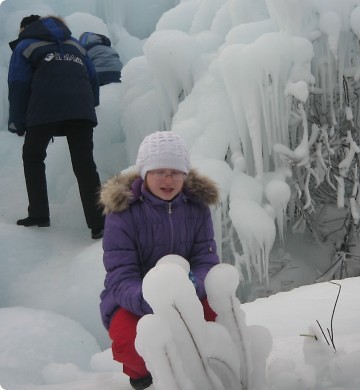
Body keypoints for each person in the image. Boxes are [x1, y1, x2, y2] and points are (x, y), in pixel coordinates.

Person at [98, 131, 220, 390]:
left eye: (176, 172)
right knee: (128, 343)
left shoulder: (196, 207)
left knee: (219, 325)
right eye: (159, 171)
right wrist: (154, 300)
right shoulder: (123, 213)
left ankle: (205, 375)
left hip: (189, 291)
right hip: (134, 299)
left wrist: (191, 287)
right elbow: (120, 274)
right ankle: (145, 380)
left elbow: (205, 259)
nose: (168, 179)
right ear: (145, 174)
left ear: (185, 175)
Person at [7, 15, 105, 239]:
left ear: (25, 28)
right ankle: (99, 223)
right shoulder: (75, 45)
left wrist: (17, 121)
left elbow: (18, 85)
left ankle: (39, 214)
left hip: (44, 108)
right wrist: (90, 105)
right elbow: (92, 79)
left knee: (33, 156)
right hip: (80, 109)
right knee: (85, 165)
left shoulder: (25, 45)